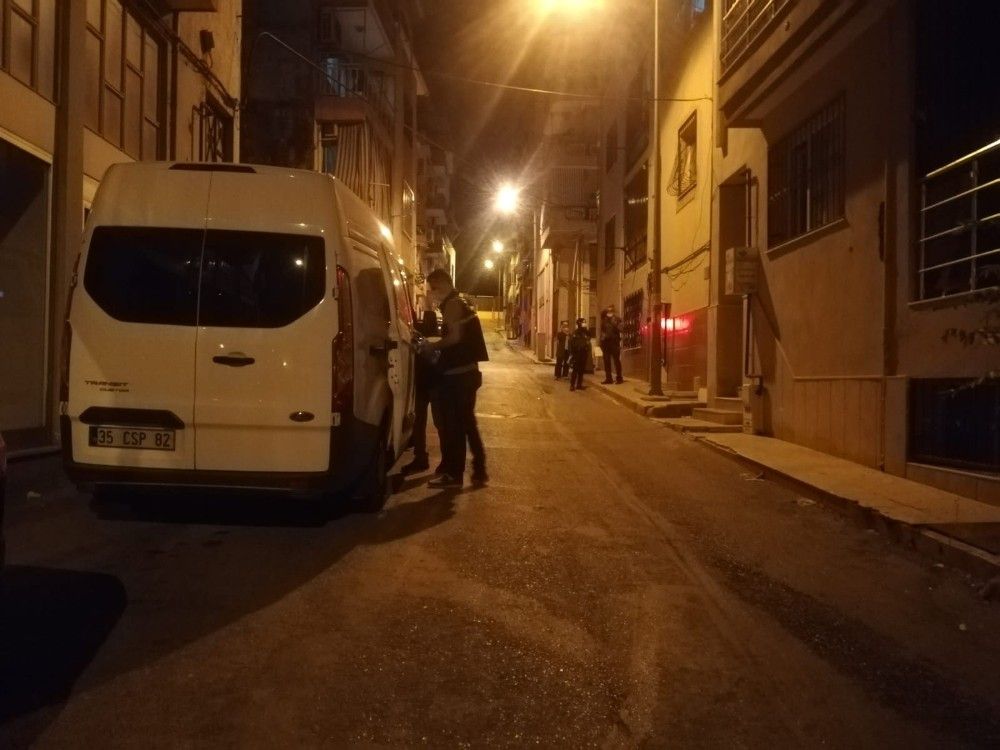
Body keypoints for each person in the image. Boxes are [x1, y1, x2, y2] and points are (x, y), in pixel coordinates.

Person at [425, 269, 489, 488]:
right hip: (468, 373)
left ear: (443, 284)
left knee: (454, 426)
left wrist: (432, 346)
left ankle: (454, 474)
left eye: (434, 288)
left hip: (458, 376)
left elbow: (455, 337)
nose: (433, 293)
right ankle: (479, 469)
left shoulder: (453, 304)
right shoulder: (463, 302)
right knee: (468, 424)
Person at [401, 310, 442, 475]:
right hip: (437, 386)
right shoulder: (440, 340)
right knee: (441, 425)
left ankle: (421, 458)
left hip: (422, 386)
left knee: (419, 424)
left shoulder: (420, 340)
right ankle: (447, 460)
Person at [600, 305, 624, 384]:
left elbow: (621, 329)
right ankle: (608, 378)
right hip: (606, 343)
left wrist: (615, 324)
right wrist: (601, 341)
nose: (609, 311)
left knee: (616, 361)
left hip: (614, 342)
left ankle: (619, 378)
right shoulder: (604, 319)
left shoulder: (617, 319)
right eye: (608, 309)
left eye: (611, 310)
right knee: (606, 361)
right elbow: (602, 331)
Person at [569, 318, 591, 391]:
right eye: (583, 322)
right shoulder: (575, 333)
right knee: (575, 370)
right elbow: (571, 344)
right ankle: (572, 385)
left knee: (581, 370)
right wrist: (572, 354)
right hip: (577, 354)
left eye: (585, 322)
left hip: (584, 353)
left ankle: (579, 384)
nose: (584, 324)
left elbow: (589, 338)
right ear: (579, 323)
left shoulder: (586, 332)